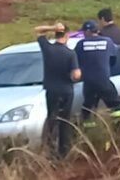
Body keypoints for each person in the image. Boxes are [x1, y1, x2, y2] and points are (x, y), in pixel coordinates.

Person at [34, 22, 81, 158]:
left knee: (52, 119)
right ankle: (64, 152)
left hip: (52, 90)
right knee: (64, 121)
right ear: (67, 36)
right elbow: (76, 74)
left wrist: (51, 27)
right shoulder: (70, 53)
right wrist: (74, 76)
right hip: (66, 90)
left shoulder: (47, 49)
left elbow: (38, 30)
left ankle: (50, 150)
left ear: (55, 34)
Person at [74, 20, 120, 128]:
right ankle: (118, 129)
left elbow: (75, 62)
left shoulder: (81, 44)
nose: (83, 34)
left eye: (84, 32)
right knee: (116, 105)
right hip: (104, 80)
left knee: (89, 108)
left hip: (89, 82)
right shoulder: (108, 42)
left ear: (88, 31)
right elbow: (113, 60)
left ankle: (90, 133)